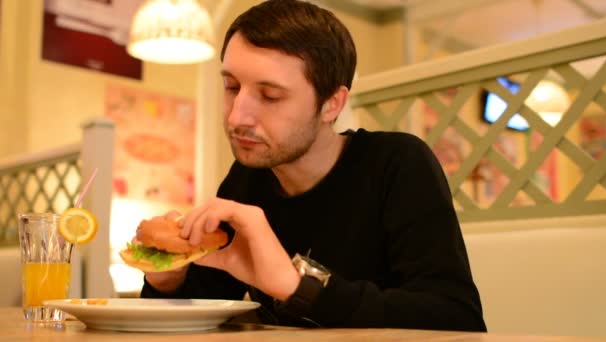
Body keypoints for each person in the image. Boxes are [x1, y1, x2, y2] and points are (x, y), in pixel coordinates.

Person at [141, 0, 486, 331]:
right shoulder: (247, 180)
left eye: (270, 96)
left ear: (331, 105)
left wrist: (300, 286)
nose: (237, 116)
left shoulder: (396, 164)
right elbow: (204, 312)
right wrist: (169, 281)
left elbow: (458, 318)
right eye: (232, 86)